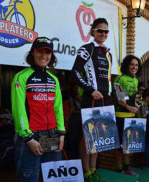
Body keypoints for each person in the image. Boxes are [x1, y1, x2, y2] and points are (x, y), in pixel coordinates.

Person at [11, 37, 65, 182]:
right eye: (40, 51)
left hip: (52, 135)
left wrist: (61, 133)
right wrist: (27, 138)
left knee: (52, 179)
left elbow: (58, 108)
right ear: (33, 52)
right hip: (31, 136)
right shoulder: (21, 77)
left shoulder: (53, 79)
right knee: (30, 178)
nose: (44, 56)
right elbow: (18, 110)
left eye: (48, 53)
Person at [72, 18, 112, 182]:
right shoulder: (87, 48)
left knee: (99, 136)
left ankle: (94, 169)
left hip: (106, 100)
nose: (103, 34)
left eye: (106, 32)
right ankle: (86, 171)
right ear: (92, 32)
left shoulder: (107, 52)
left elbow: (107, 78)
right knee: (87, 136)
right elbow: (75, 71)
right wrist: (90, 90)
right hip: (92, 100)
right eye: (100, 31)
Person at [113, 55, 142, 176]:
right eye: (131, 64)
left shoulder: (135, 80)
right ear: (126, 65)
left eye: (136, 65)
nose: (134, 67)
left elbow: (130, 98)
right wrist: (130, 107)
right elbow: (120, 99)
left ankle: (127, 167)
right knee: (120, 145)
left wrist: (137, 105)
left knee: (128, 144)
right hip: (120, 115)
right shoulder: (120, 79)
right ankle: (119, 169)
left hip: (131, 116)